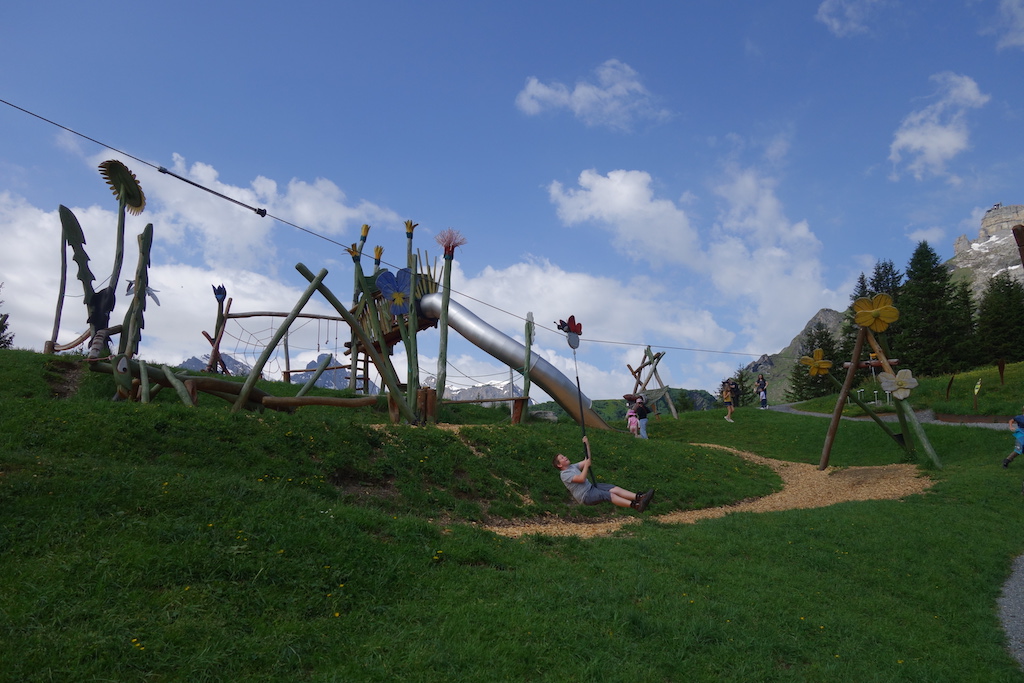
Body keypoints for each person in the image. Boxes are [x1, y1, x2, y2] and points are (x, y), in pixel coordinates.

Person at [553, 436, 654, 511]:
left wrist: (587, 444)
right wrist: (586, 466)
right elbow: (581, 479)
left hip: (591, 487)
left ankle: (640, 497)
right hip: (585, 496)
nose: (565, 457)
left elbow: (587, 460)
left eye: (564, 456)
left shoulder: (572, 466)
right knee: (609, 495)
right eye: (562, 458)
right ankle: (636, 506)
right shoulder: (564, 474)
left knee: (614, 489)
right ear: (559, 465)